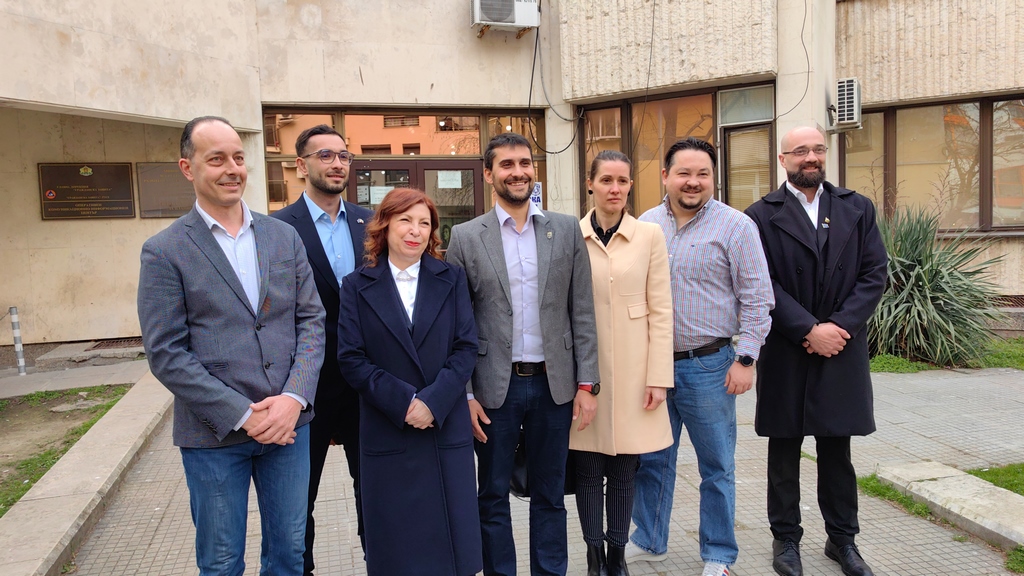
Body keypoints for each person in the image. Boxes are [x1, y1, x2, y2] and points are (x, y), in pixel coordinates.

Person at [137, 116, 325, 576]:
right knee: (221, 563)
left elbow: (311, 321)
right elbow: (166, 353)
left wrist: (294, 398)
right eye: (216, 159)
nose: (232, 169)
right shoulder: (164, 251)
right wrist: (242, 414)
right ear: (188, 167)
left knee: (289, 554)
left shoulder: (283, 236)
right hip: (214, 435)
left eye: (238, 158)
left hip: (288, 428)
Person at [445, 132, 600, 576]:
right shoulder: (466, 237)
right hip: (494, 388)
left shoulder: (565, 229)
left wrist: (588, 384)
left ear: (534, 170)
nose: (518, 172)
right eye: (507, 165)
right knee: (492, 494)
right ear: (489, 174)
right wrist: (465, 395)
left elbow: (582, 310)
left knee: (550, 494)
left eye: (525, 163)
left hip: (555, 386)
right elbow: (457, 324)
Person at [744, 126, 887, 576]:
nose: (811, 157)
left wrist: (838, 328)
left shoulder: (857, 207)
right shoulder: (759, 215)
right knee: (784, 451)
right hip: (788, 347)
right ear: (783, 159)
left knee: (837, 451)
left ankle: (842, 540)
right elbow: (761, 282)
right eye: (801, 151)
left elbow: (874, 273)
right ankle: (786, 539)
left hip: (840, 347)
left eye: (818, 149)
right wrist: (807, 329)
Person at [628, 137, 774, 576]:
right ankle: (649, 539)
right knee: (652, 460)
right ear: (665, 176)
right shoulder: (646, 224)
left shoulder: (736, 226)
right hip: (653, 367)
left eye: (702, 174)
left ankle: (719, 554)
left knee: (716, 466)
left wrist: (746, 359)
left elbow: (757, 297)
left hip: (710, 366)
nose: (693, 182)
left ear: (713, 177)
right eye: (684, 173)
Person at [336, 187, 481, 576]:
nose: (415, 231)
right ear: (384, 225)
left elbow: (466, 348)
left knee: (451, 551)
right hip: (389, 429)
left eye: (424, 223)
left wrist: (432, 402)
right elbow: (351, 358)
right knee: (398, 549)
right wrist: (404, 402)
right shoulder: (356, 285)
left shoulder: (452, 278)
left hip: (442, 426)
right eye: (405, 220)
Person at [272, 124, 372, 574]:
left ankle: (381, 563)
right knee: (298, 501)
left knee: (374, 492)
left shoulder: (371, 222)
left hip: (366, 388)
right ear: (301, 165)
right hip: (304, 390)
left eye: (344, 156)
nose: (337, 164)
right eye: (325, 155)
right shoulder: (276, 228)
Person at [571, 150, 674, 576]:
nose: (615, 189)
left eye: (623, 181)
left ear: (631, 185)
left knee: (625, 468)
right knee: (587, 467)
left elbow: (662, 310)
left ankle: (617, 556)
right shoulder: (570, 235)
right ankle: (594, 557)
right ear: (590, 184)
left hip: (635, 372)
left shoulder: (649, 236)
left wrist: (658, 377)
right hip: (586, 373)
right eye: (606, 180)